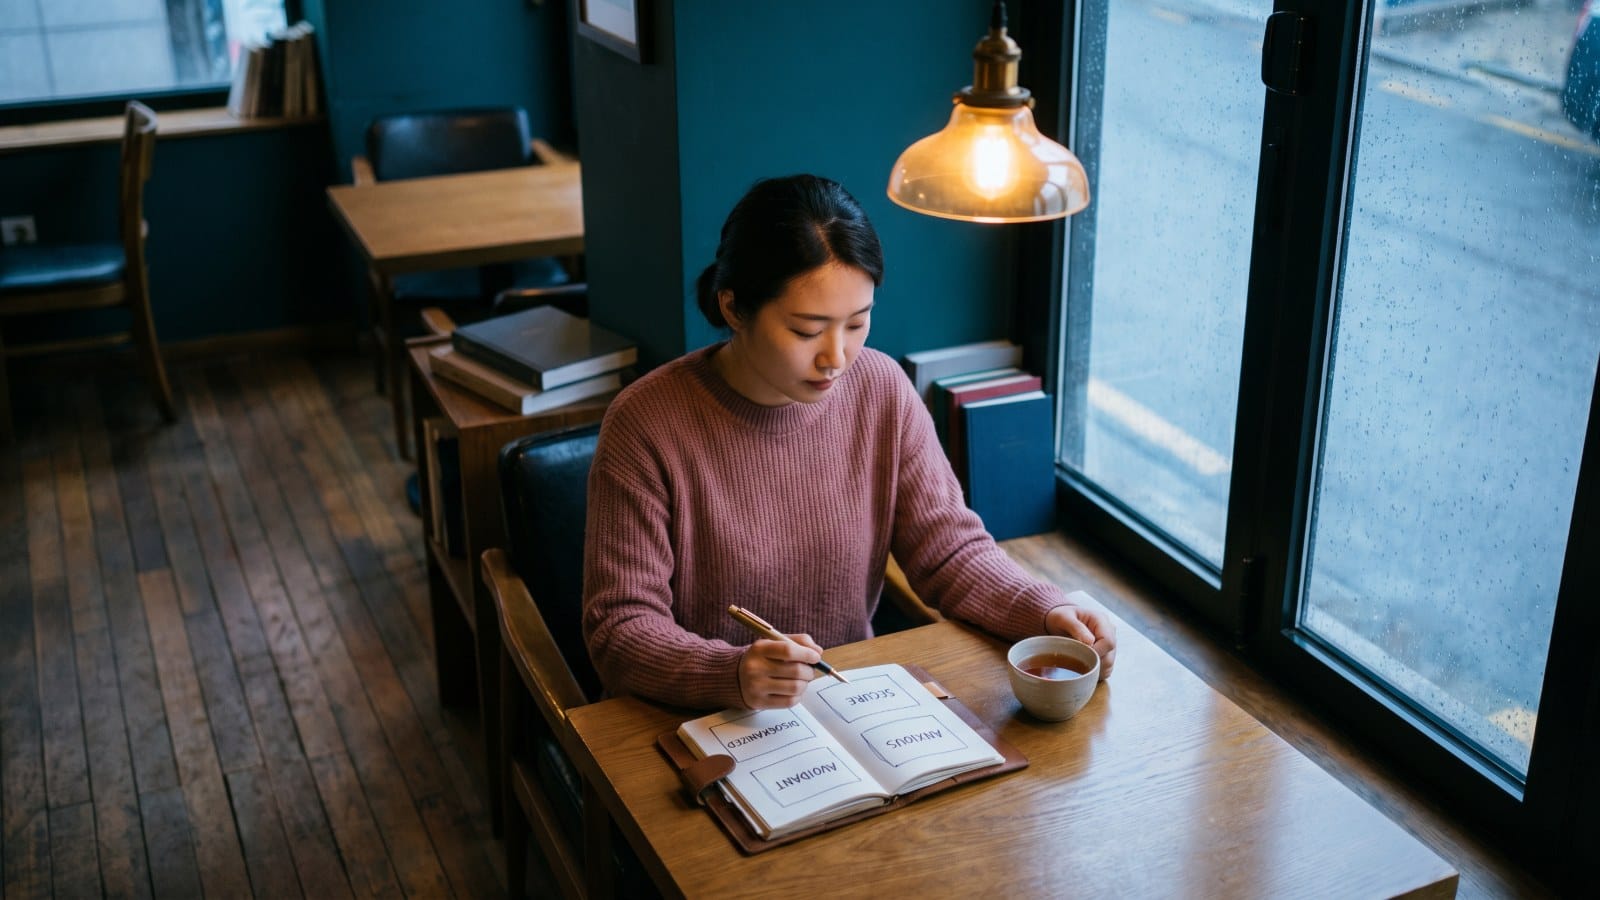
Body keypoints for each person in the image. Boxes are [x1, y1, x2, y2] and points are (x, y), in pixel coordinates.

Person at [582, 174, 1116, 711]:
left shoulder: (881, 389)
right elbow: (620, 627)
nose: (836, 357)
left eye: (857, 324)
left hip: (846, 704)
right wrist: (732, 673)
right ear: (734, 308)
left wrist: (1044, 612)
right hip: (694, 720)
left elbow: (948, 549)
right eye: (806, 331)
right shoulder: (646, 424)